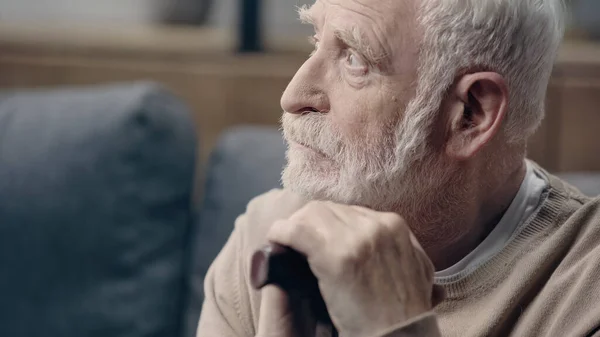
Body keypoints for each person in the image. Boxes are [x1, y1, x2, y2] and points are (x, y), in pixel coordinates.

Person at [197, 0, 600, 336]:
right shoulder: (268, 234)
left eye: (355, 60)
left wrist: (397, 326)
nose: (293, 96)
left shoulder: (585, 293)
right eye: (315, 40)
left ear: (470, 115)